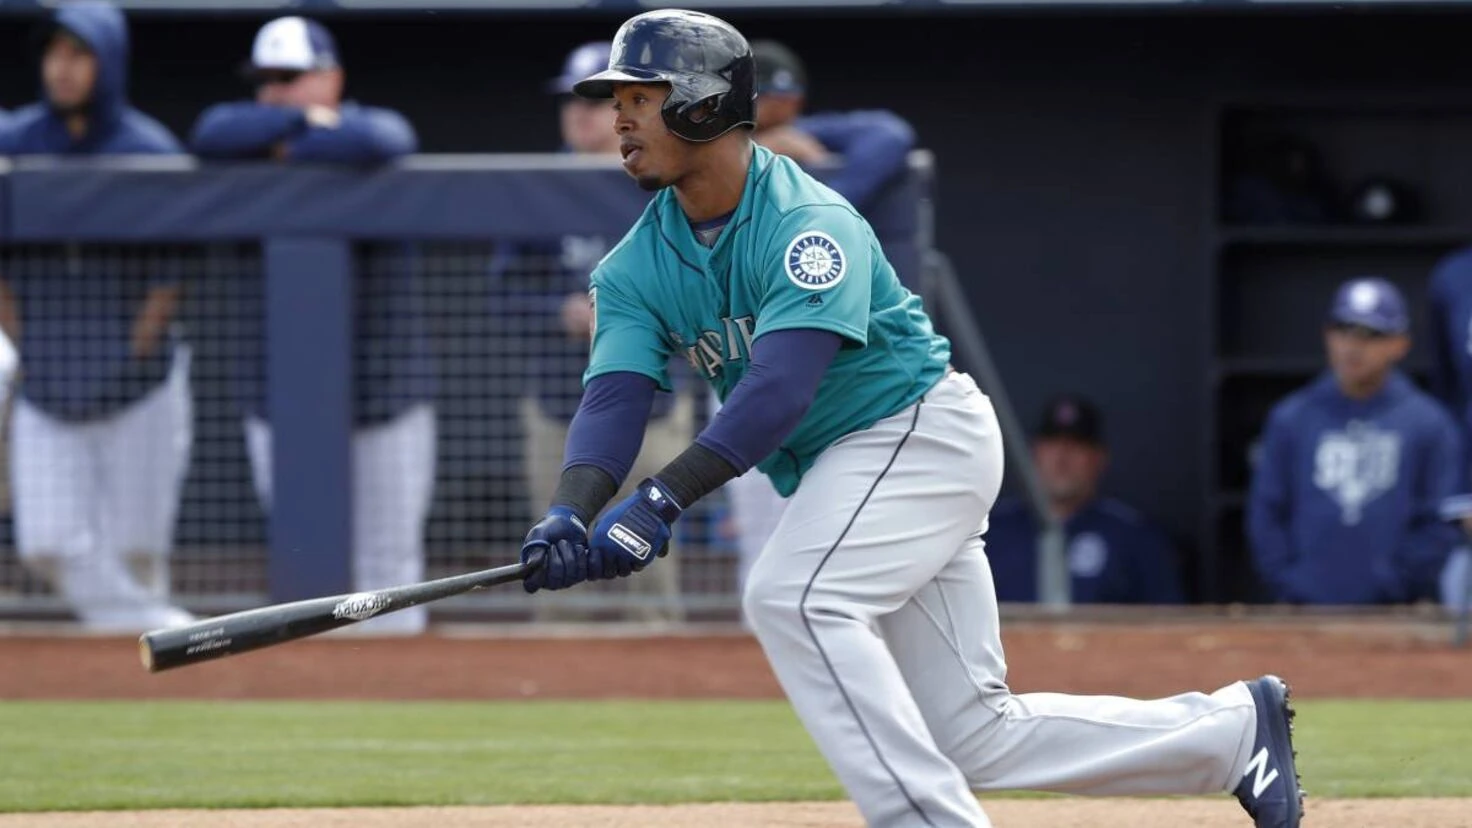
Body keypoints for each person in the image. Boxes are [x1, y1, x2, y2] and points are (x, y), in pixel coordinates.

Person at [515, 10, 1301, 828]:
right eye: (616, 99)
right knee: (973, 735)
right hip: (853, 465)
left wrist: (660, 500)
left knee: (794, 597)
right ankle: (1231, 732)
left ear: (705, 106)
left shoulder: (806, 225)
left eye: (641, 95)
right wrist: (570, 510)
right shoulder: (634, 264)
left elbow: (779, 391)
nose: (620, 117)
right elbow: (614, 399)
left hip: (915, 435)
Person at [190, 17, 436, 634]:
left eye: (290, 78)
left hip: (385, 394)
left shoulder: (367, 129)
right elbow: (211, 131)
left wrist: (292, 140)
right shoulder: (244, 143)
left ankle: (398, 705)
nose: (274, 91)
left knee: (390, 573)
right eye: (265, 81)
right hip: (282, 401)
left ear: (332, 77)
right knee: (303, 571)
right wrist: (302, 125)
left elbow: (388, 138)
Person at [0, 1, 193, 632]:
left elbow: (169, 282)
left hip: (138, 388)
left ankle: (142, 684)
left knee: (138, 549)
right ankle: (163, 629)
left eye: (79, 54)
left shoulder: (148, 148)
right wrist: (29, 348)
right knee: (48, 543)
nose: (63, 68)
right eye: (55, 53)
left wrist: (129, 355)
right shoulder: (16, 143)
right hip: (47, 386)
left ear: (107, 62)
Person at [500, 41, 687, 622]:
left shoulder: (665, 180)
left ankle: (663, 678)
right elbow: (500, 293)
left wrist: (636, 313)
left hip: (655, 401)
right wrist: (561, 311)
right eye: (571, 101)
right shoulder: (537, 186)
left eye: (596, 101)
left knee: (648, 561)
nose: (580, 113)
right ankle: (552, 688)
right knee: (554, 560)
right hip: (560, 400)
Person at [1248, 277, 1462, 606]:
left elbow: (1441, 521)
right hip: (1303, 607)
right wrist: (1290, 581)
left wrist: (1395, 584)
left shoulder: (1429, 423)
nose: (1353, 345)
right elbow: (1266, 511)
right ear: (1327, 334)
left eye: (1372, 335)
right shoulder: (1292, 416)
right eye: (1343, 329)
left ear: (1400, 344)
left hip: (1398, 610)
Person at [986, 395, 1184, 604]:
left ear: (1099, 458)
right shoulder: (991, 531)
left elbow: (1170, 623)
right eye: (1052, 444)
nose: (1061, 458)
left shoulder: (1133, 537)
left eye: (1076, 446)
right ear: (1034, 454)